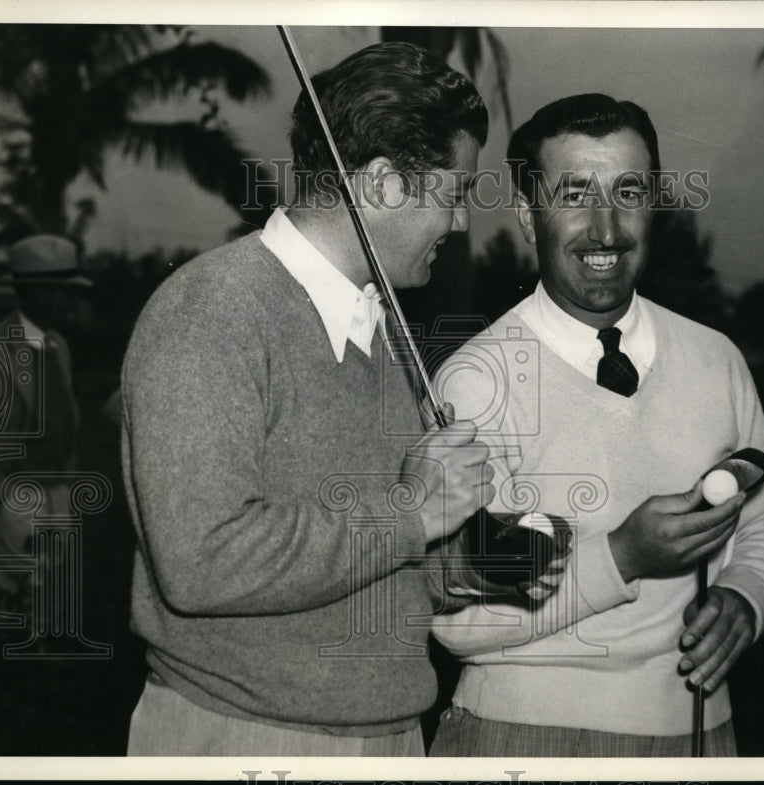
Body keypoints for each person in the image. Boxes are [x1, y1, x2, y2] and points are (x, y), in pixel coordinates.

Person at [120, 42, 504, 756]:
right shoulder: (212, 310)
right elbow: (202, 560)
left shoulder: (379, 326)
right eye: (453, 194)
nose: (457, 226)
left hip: (388, 736)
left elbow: (375, 557)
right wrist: (415, 512)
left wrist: (472, 564)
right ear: (385, 183)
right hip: (244, 737)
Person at [429, 94, 764, 756]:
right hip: (521, 741)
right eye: (575, 194)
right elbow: (456, 618)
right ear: (525, 213)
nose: (606, 228)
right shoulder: (475, 379)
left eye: (628, 191)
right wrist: (624, 554)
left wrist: (745, 600)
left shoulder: (717, 358)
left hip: (701, 739)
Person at [0, 234, 90, 599]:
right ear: (35, 292)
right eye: (63, 291)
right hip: (14, 488)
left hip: (57, 483)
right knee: (20, 582)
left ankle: (42, 644)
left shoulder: (58, 345)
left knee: (51, 577)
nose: (69, 300)